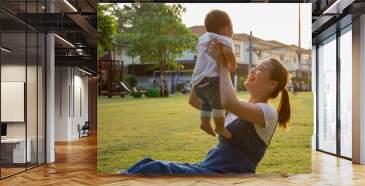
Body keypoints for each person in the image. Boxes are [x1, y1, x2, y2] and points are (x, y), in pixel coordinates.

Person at [119, 40, 291, 175]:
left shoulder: (267, 113)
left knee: (156, 168)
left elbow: (228, 102)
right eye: (254, 67)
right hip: (208, 168)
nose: (252, 70)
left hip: (225, 176)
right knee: (147, 163)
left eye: (259, 69)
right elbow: (195, 100)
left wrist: (223, 65)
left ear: (272, 84)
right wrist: (206, 65)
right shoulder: (242, 106)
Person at [191, 9, 237, 139]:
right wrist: (233, 65)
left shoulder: (203, 39)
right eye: (232, 26)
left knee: (206, 101)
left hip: (198, 80)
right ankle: (220, 127)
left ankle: (204, 123)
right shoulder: (224, 39)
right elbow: (228, 53)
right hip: (211, 80)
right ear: (226, 29)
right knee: (219, 102)